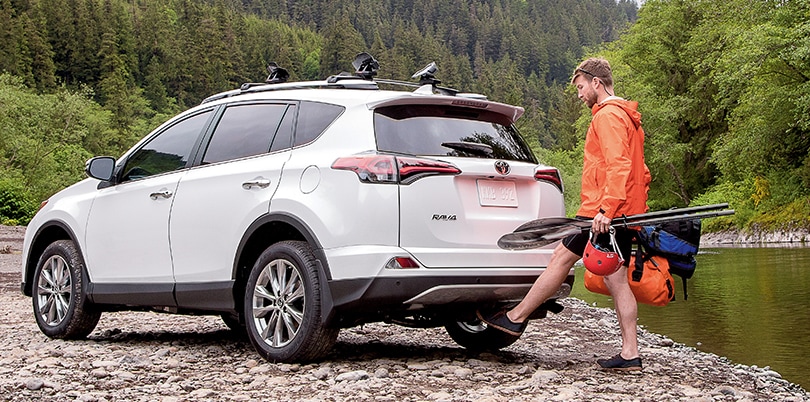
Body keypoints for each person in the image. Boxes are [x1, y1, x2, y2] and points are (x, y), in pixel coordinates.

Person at [478, 57, 651, 371]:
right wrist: (626, 208)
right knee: (617, 281)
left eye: (582, 88)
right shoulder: (627, 116)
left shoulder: (608, 116)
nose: (580, 95)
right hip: (620, 212)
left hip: (601, 214)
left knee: (561, 257)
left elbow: (619, 167)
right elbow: (642, 172)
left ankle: (514, 318)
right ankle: (630, 353)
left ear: (596, 82)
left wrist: (606, 210)